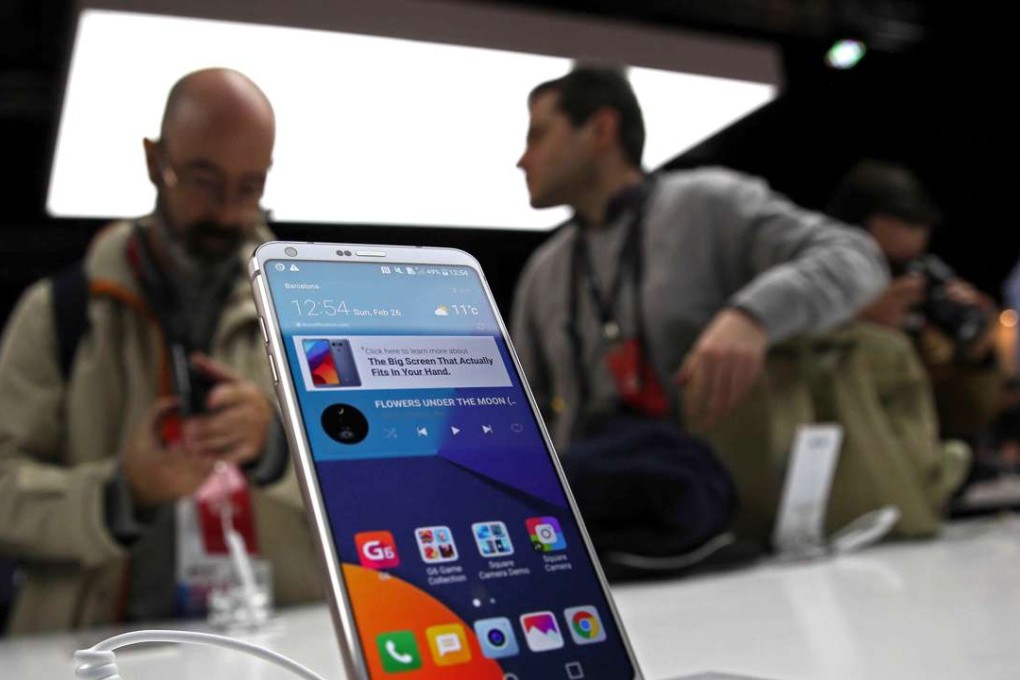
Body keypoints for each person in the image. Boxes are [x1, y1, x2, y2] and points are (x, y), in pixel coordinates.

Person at [0, 68, 321, 634]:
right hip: (97, 650)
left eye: (249, 187)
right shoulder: (55, 314)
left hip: (274, 647)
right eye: (202, 179)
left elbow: (376, 488)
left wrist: (275, 448)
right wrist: (122, 492)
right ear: (154, 161)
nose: (227, 212)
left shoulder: (310, 311)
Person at [511, 66, 890, 452]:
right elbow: (523, 415)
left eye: (537, 135)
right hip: (591, 500)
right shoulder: (545, 271)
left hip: (726, 495)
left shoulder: (707, 204)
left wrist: (752, 316)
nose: (523, 160)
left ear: (602, 129)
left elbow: (856, 255)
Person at [828, 160, 1003, 441]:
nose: (905, 283)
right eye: (888, 265)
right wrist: (861, 324)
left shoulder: (920, 320)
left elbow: (966, 418)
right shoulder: (807, 304)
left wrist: (976, 358)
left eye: (912, 265)